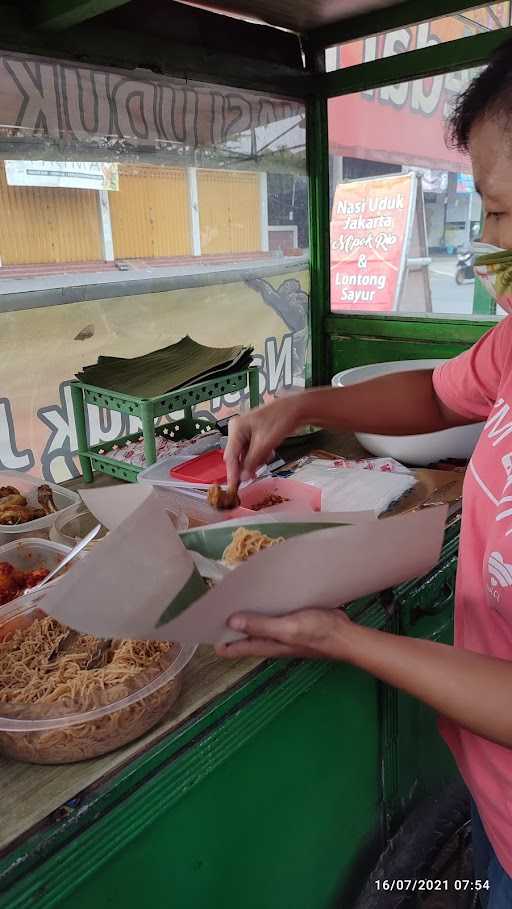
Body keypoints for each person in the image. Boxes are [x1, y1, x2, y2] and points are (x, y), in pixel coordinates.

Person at [216, 39, 512, 908]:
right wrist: (307, 405)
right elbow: (436, 392)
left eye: (499, 211)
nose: (488, 239)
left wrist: (340, 636)